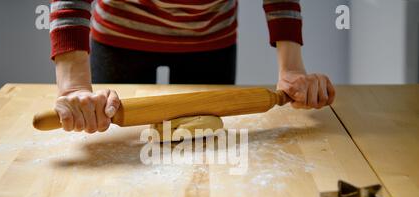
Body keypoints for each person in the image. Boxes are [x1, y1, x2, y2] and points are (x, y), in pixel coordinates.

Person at [50, 0, 335, 133]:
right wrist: (74, 86)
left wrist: (292, 70)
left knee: (206, 146)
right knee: (107, 125)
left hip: (209, 34)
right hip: (121, 30)